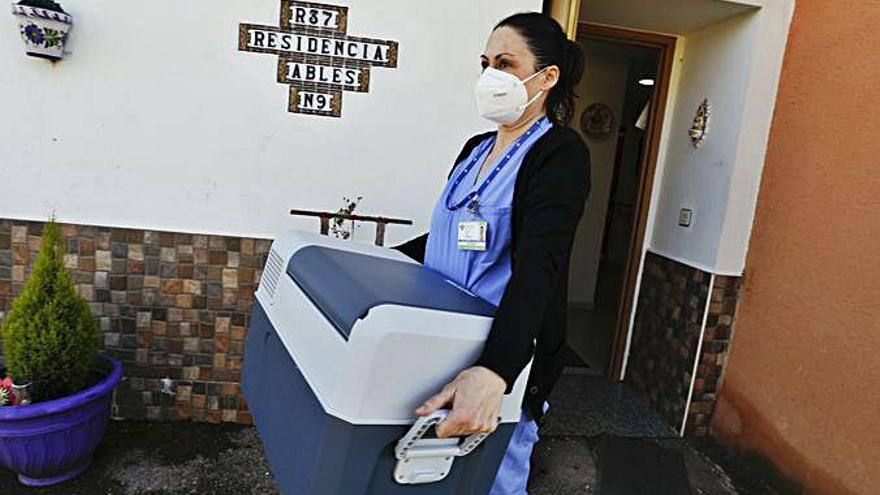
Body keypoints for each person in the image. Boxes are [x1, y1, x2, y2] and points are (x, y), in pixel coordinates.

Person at [395, 12, 591, 494]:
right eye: (485, 63)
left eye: (505, 63)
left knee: (489, 480)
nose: (490, 76)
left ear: (547, 78)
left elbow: (539, 269)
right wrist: (368, 259)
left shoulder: (558, 154)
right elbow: (446, 235)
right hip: (438, 339)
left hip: (501, 349)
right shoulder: (474, 148)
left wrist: (496, 370)